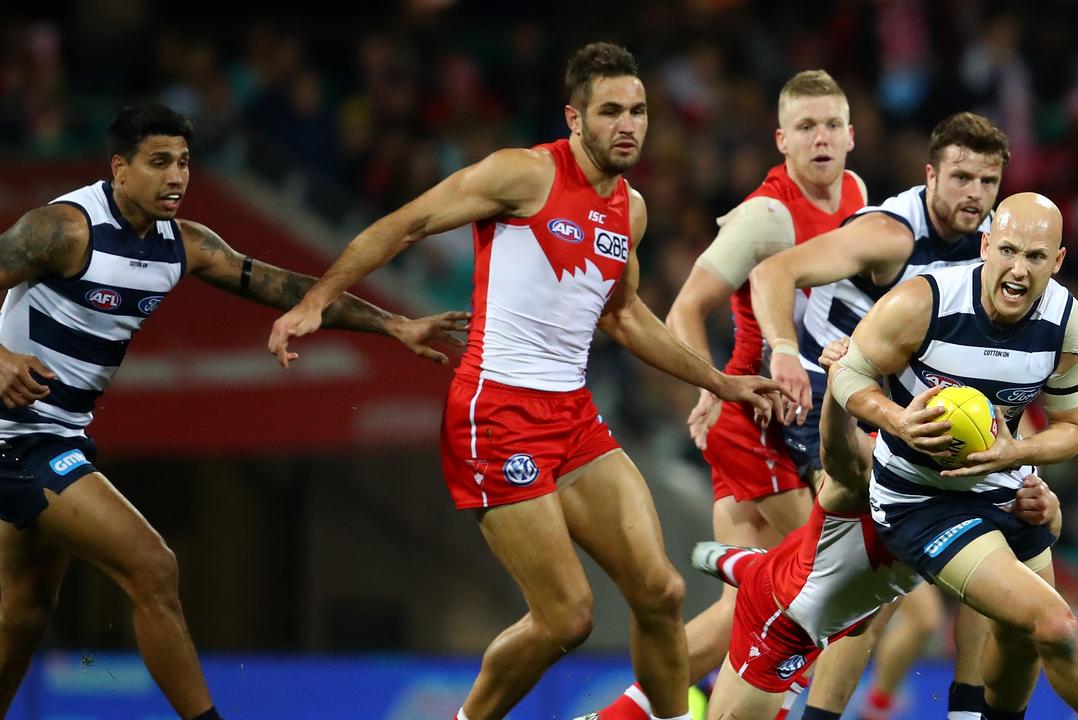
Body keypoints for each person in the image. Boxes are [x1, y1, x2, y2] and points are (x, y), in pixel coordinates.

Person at [266, 43, 787, 720]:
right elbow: (408, 223)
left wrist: (720, 382)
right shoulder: (524, 174)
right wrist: (317, 300)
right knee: (567, 617)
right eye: (610, 112)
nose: (628, 124)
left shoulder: (629, 210)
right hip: (495, 414)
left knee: (660, 592)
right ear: (575, 118)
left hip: (572, 415)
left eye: (638, 111)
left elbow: (624, 316)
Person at [0, 104, 469, 720]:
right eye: (160, 162)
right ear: (120, 167)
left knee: (26, 612)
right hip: (14, 435)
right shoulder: (63, 230)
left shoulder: (184, 246)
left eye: (185, 163)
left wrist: (395, 323)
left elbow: (285, 286)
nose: (177, 178)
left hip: (58, 432)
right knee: (153, 567)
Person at [592, 69, 870, 720]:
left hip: (792, 422)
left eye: (832, 125)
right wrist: (710, 390)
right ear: (782, 139)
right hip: (756, 424)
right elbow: (686, 308)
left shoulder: (856, 196)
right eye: (806, 127)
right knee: (835, 583)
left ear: (853, 136)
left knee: (737, 611)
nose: (821, 139)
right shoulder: (765, 217)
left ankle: (621, 716)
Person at [829, 192, 1078, 719]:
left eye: (1037, 257)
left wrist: (1016, 452)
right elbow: (848, 373)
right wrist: (898, 420)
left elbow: (1070, 430)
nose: (1019, 270)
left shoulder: (1067, 322)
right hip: (919, 497)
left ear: (1058, 261)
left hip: (1005, 487)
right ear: (986, 244)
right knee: (1056, 624)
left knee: (1024, 641)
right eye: (1009, 251)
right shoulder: (923, 302)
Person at [749, 111, 1011, 720]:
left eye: (988, 181)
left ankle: (966, 709)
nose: (975, 194)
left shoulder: (996, 245)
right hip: (824, 400)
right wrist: (785, 351)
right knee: (876, 559)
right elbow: (773, 271)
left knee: (993, 515)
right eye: (961, 177)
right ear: (930, 175)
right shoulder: (891, 236)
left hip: (898, 409)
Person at [691, 336, 1063, 720]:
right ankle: (748, 571)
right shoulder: (867, 469)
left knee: (864, 617)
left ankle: (745, 564)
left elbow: (1025, 542)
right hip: (781, 620)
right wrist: (839, 382)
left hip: (834, 609)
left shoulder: (967, 493)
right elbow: (838, 450)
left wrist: (1048, 510)